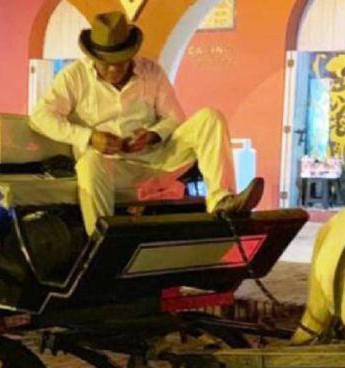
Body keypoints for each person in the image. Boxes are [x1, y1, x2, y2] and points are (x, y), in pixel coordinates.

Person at [30, 10, 264, 235]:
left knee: (210, 117)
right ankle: (101, 238)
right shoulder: (74, 77)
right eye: (105, 62)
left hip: (158, 160)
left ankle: (222, 201)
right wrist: (89, 137)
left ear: (131, 55)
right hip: (113, 168)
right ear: (93, 57)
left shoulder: (151, 72)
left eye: (119, 61)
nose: (112, 69)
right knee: (89, 163)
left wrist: (151, 135)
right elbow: (40, 117)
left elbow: (174, 119)